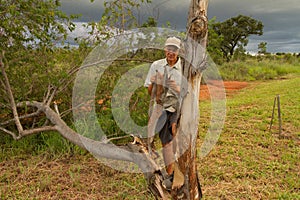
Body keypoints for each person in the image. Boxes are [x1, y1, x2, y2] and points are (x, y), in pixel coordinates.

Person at [144, 36, 183, 189]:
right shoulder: (157, 65)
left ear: (178, 51)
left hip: (179, 105)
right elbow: (151, 94)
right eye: (169, 49)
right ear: (165, 49)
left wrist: (174, 87)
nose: (171, 52)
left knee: (176, 135)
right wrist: (156, 83)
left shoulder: (184, 67)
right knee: (164, 141)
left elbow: (189, 94)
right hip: (161, 105)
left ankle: (179, 172)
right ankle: (169, 174)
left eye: (174, 49)